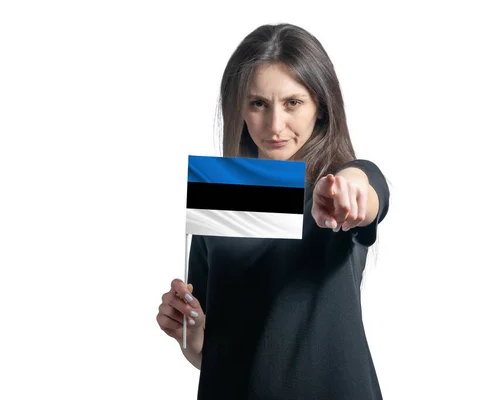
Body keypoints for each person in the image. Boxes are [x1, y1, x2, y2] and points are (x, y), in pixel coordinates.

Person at [156, 23, 390, 400]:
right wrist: (193, 336)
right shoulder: (221, 197)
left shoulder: (335, 191)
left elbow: (368, 190)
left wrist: (352, 190)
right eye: (258, 103)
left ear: (320, 108)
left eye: (292, 103)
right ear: (241, 109)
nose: (274, 125)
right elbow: (220, 351)